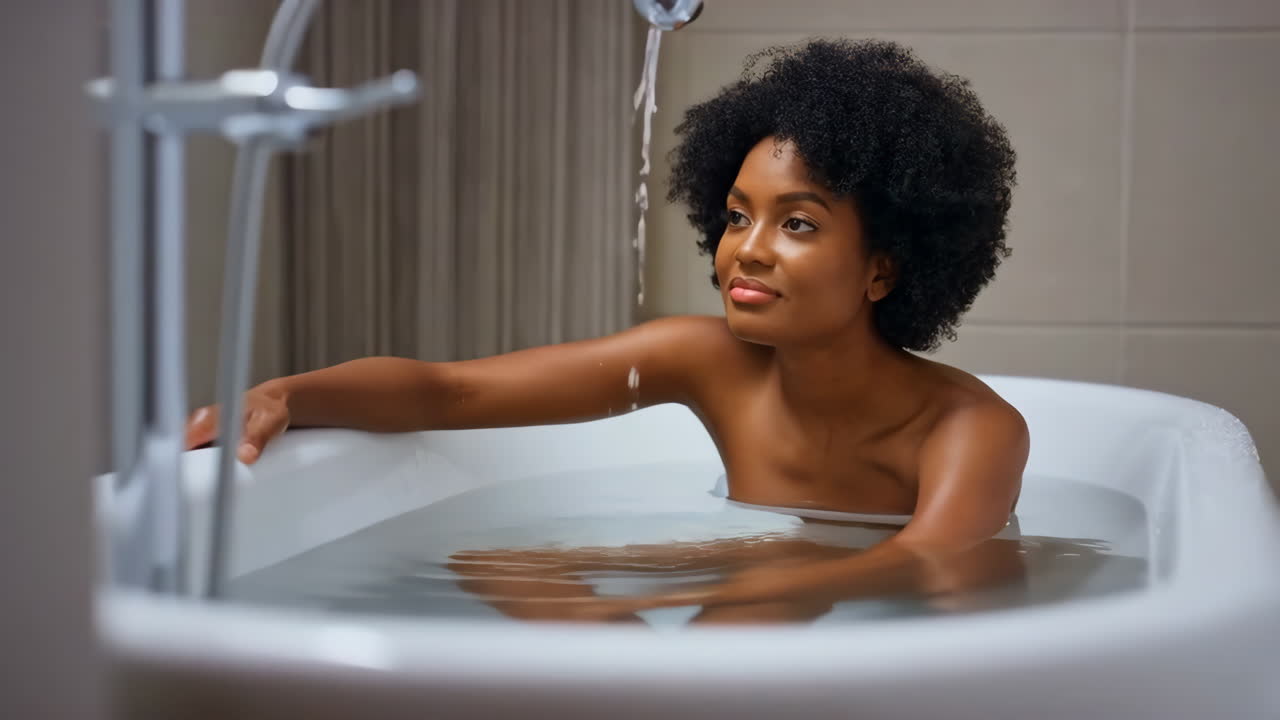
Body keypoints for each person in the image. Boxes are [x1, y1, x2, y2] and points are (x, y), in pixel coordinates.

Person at [187, 39, 1027, 620]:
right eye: (736, 218)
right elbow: (457, 388)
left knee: (768, 594)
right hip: (770, 572)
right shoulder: (709, 360)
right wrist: (288, 393)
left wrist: (679, 587)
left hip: (911, 631)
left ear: (884, 266)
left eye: (797, 225)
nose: (749, 251)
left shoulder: (968, 428)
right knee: (500, 563)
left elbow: (932, 563)